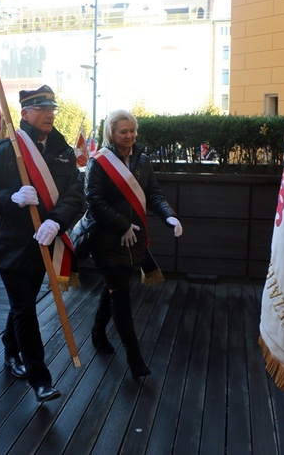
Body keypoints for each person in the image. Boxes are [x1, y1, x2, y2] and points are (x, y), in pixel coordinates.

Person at [0, 85, 84, 402]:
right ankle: (40, 379)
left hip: (45, 240)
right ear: (25, 113)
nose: (49, 113)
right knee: (25, 308)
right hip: (11, 244)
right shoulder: (6, 150)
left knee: (24, 305)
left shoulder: (62, 150)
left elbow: (76, 194)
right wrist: (12, 198)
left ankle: (9, 349)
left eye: (52, 108)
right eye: (42, 108)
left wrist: (55, 221)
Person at [84, 109, 183, 377]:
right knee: (121, 294)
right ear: (111, 134)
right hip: (107, 238)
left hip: (135, 239)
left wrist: (170, 217)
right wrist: (122, 224)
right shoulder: (99, 162)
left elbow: (154, 194)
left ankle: (97, 331)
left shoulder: (143, 161)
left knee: (116, 287)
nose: (129, 136)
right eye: (123, 131)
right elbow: (94, 202)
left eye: (132, 131)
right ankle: (134, 356)